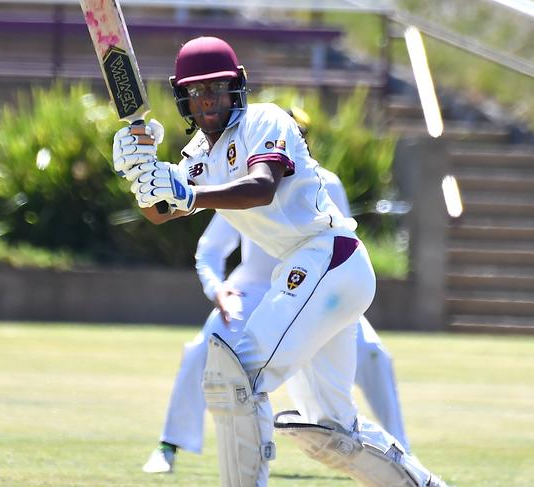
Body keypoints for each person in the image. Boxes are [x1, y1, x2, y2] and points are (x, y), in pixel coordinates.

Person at [113, 36, 447, 487]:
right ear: (183, 98)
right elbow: (159, 211)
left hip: (328, 258)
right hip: (315, 275)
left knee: (238, 376)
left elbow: (261, 186)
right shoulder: (195, 157)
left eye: (217, 88)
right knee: (331, 431)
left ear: (238, 88)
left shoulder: (264, 119)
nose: (208, 99)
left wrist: (187, 194)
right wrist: (140, 172)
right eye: (197, 91)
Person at [142, 169, 410, 474]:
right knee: (207, 346)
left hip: (317, 288)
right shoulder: (247, 181)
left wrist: (342, 299)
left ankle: (399, 453)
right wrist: (217, 288)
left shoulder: (326, 182)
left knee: (374, 354)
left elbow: (345, 243)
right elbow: (211, 249)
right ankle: (169, 445)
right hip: (255, 289)